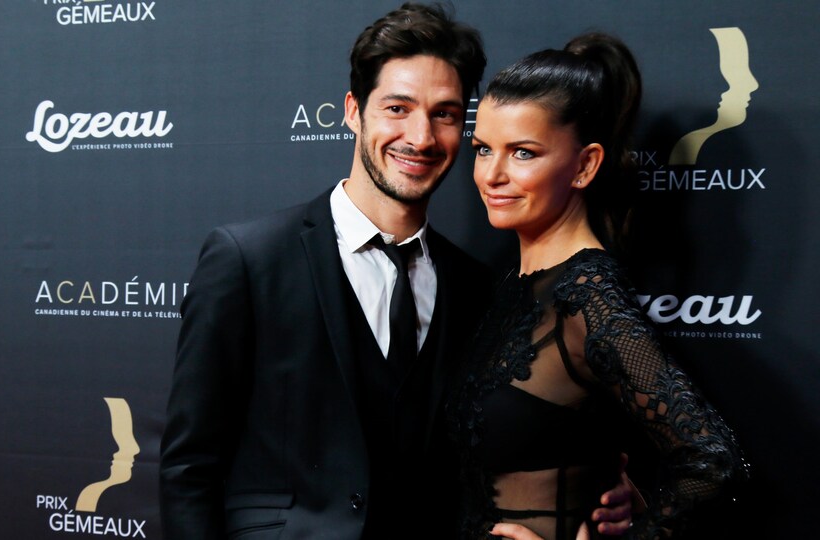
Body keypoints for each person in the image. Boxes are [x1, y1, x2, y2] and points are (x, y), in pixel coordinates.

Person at [160, 5, 632, 538]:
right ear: (353, 111)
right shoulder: (248, 259)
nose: (422, 137)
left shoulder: (478, 286)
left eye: (446, 114)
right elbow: (188, 469)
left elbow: (508, 438)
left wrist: (597, 490)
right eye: (397, 108)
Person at [447, 33, 747, 540]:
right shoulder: (513, 285)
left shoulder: (589, 294)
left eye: (522, 153)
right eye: (482, 149)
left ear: (585, 165)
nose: (491, 175)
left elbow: (713, 464)